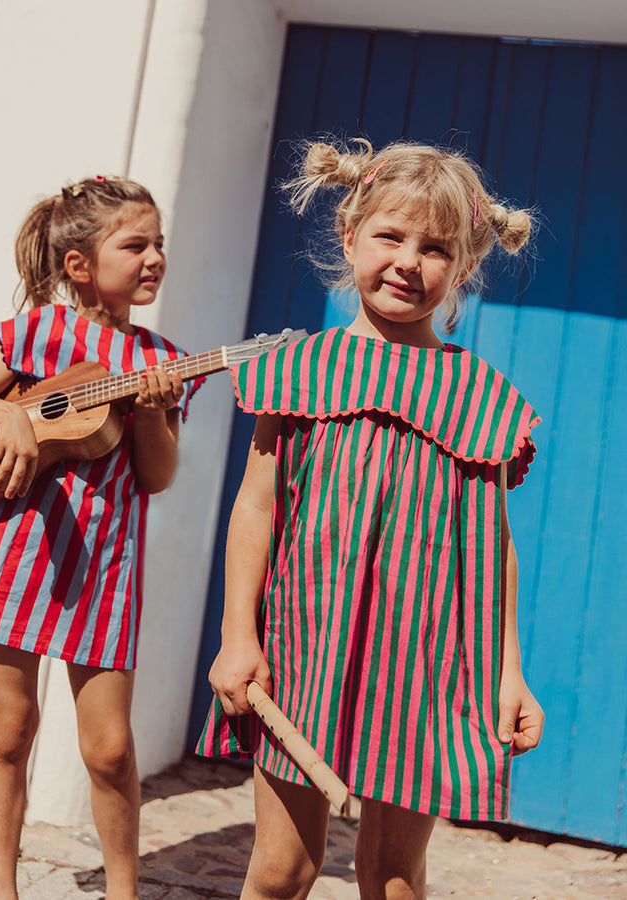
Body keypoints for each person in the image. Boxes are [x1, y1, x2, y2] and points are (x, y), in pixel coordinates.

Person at [198, 140, 545, 900]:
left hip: (428, 666)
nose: (409, 262)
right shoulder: (293, 367)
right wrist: (237, 635)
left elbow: (497, 550)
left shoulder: (483, 397)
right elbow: (256, 507)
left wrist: (510, 672)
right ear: (350, 236)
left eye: (436, 249)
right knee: (283, 870)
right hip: (302, 652)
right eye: (391, 236)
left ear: (462, 271)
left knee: (392, 878)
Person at [0, 176, 201, 900]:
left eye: (158, 243)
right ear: (79, 264)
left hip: (103, 566)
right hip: (16, 549)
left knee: (109, 748)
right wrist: (9, 417)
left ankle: (123, 892)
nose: (153, 256)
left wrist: (157, 415)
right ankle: (0, 891)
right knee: (9, 727)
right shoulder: (36, 333)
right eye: (135, 244)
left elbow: (157, 478)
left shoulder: (163, 357)